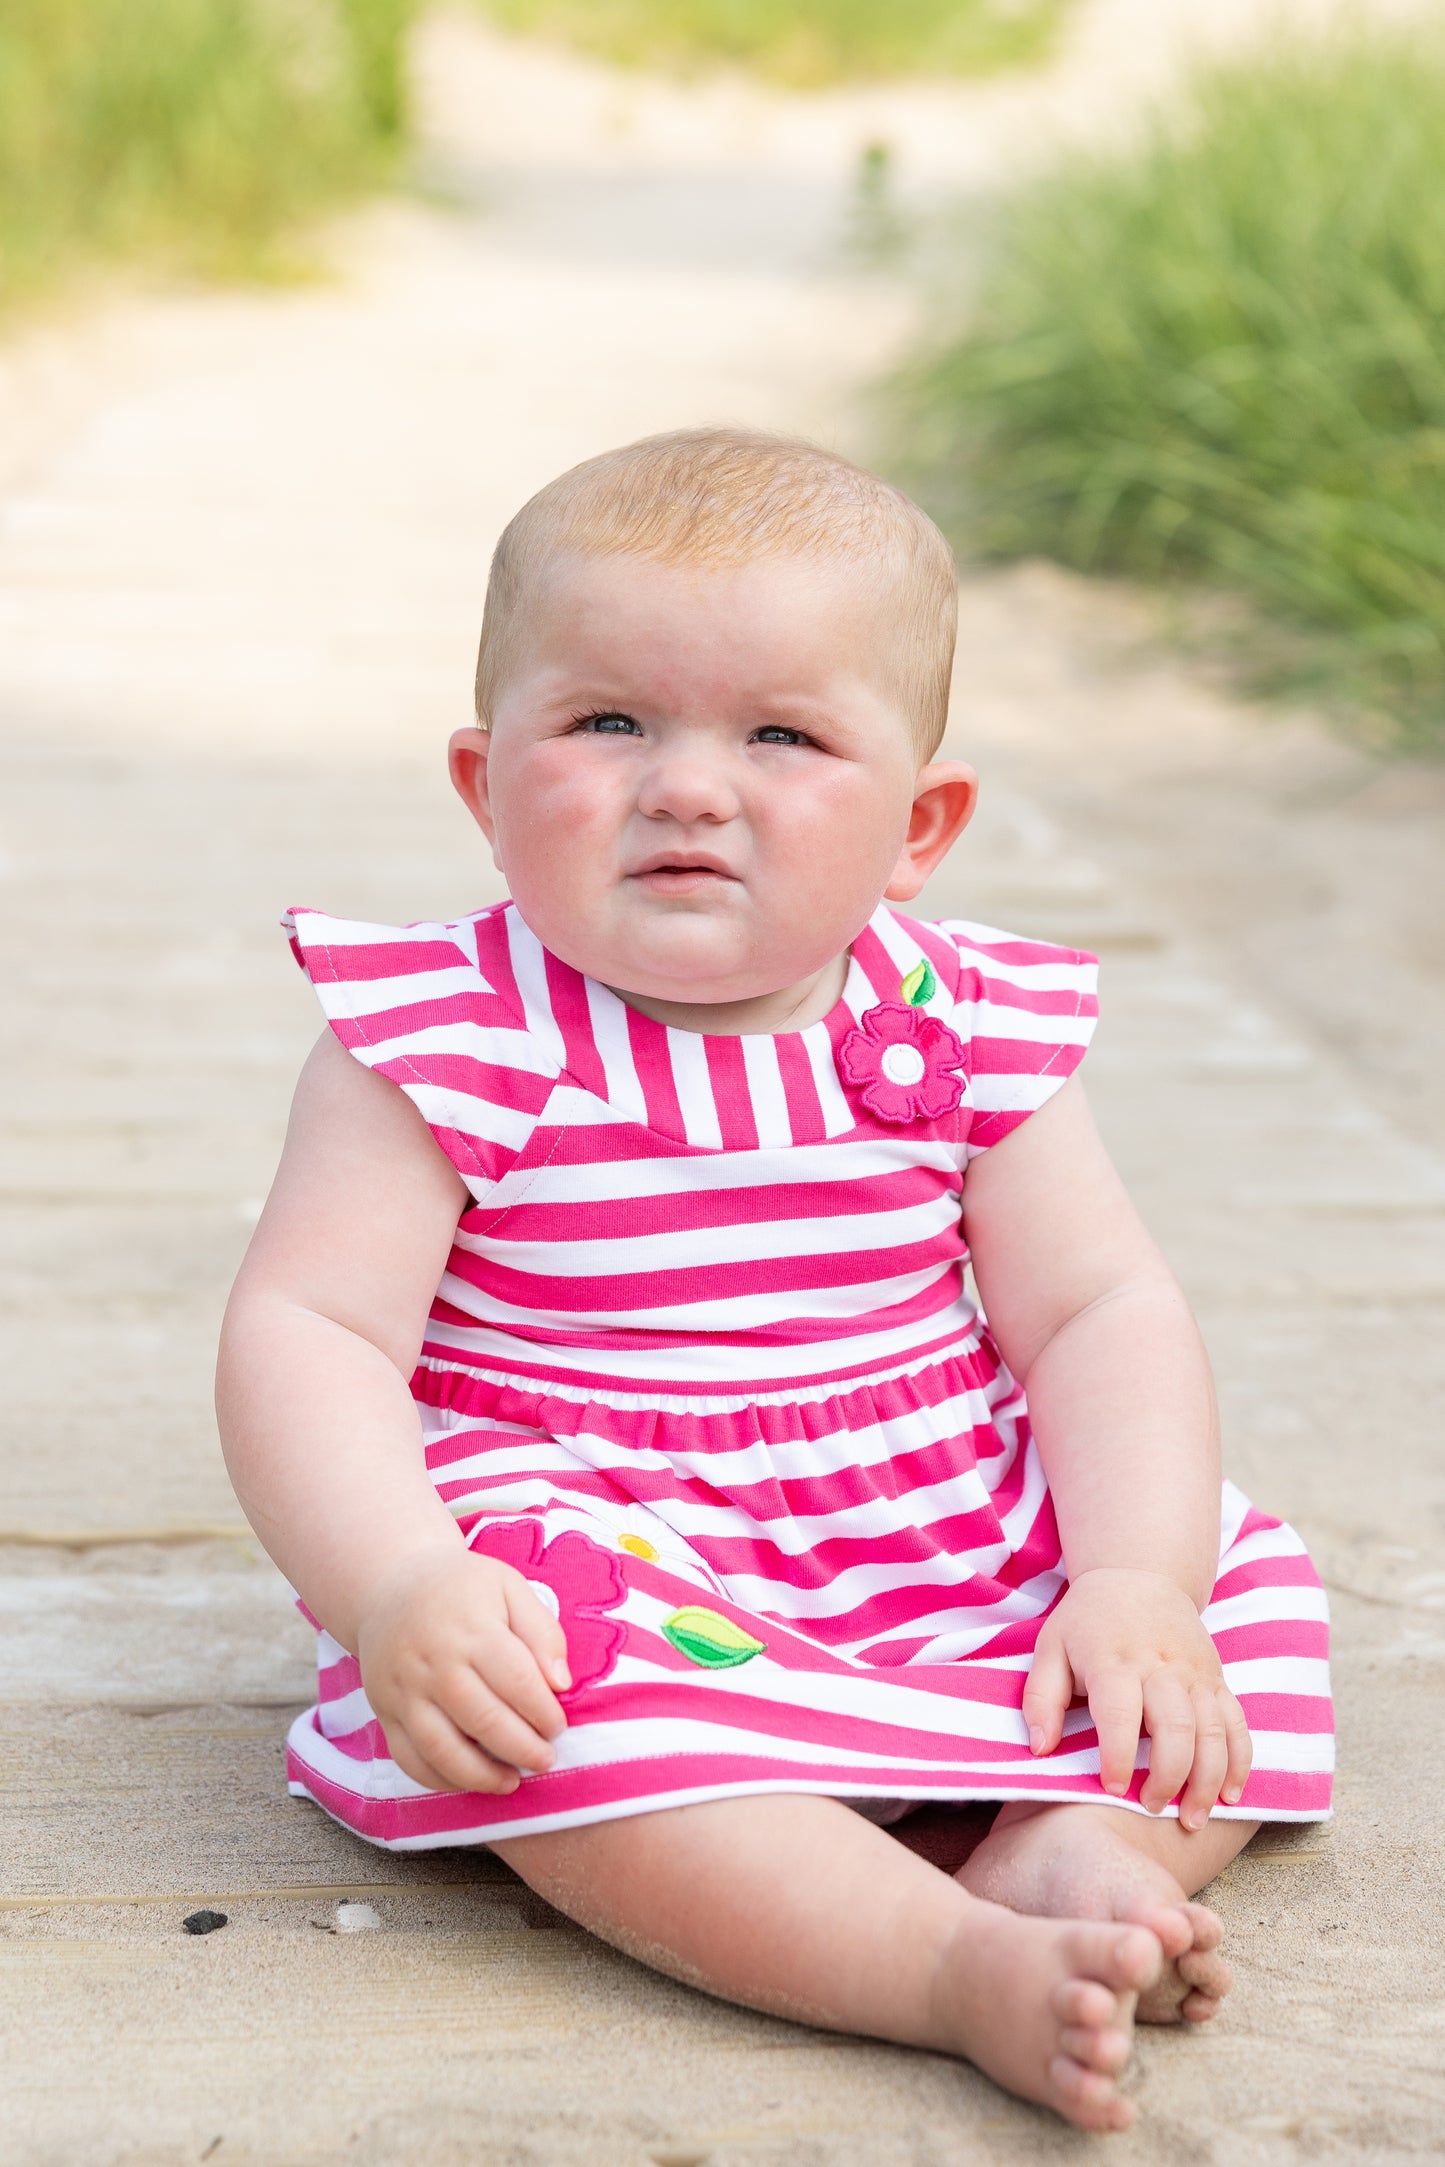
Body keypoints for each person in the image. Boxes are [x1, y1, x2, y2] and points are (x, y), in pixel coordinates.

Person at [217, 429, 1333, 2131]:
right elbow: (312, 1330)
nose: (684, 785)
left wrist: (1132, 1579)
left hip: (927, 1501)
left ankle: (1067, 1852)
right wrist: (394, 1585)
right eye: (606, 723)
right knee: (558, 1726)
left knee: (1230, 1605)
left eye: (782, 738)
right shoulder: (445, 1038)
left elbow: (1095, 1311)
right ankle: (926, 1962)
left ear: (918, 825)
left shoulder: (961, 1026)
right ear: (480, 781)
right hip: (588, 1514)